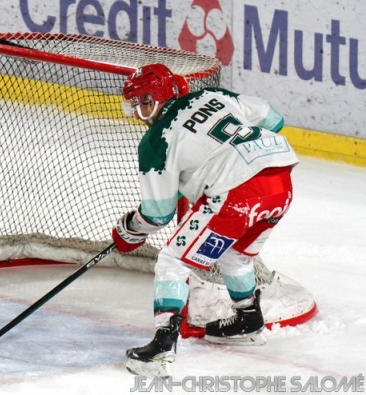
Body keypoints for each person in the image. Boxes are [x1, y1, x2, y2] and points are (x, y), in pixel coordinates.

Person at [113, 64, 299, 376]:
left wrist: (130, 229)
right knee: (236, 253)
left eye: (142, 103)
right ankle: (248, 321)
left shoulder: (157, 140)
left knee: (173, 261)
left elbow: (158, 215)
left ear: (159, 98)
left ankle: (160, 348)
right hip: (280, 183)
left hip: (236, 194)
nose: (136, 113)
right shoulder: (214, 95)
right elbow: (273, 118)